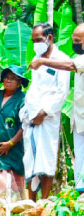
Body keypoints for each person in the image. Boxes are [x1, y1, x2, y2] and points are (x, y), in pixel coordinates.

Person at [30, 22, 84, 194]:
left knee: (48, 158)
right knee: (81, 159)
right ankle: (81, 195)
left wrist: (43, 61)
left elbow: (69, 67)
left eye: (77, 41)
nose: (74, 44)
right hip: (79, 118)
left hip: (52, 116)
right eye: (73, 40)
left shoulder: (69, 60)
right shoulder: (78, 58)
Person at [20, 23, 71, 200]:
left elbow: (62, 92)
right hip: (31, 117)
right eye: (33, 41)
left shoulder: (61, 59)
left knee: (46, 157)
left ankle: (44, 201)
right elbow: (35, 88)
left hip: (48, 118)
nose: (36, 44)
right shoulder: (36, 58)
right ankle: (31, 201)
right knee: (30, 158)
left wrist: (44, 112)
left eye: (39, 40)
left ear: (50, 38)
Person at [0, 66, 28, 198]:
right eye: (6, 78)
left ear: (19, 82)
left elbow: (24, 125)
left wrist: (11, 143)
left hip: (12, 149)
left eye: (13, 79)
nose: (8, 81)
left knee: (11, 185)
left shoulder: (23, 99)